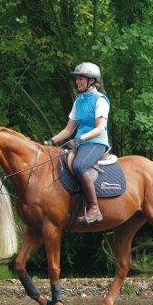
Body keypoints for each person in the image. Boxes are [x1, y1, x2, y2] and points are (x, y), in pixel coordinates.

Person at [44, 62, 110, 225]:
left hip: (96, 142)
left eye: (81, 79)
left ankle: (94, 208)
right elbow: (68, 130)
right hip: (80, 143)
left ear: (92, 81)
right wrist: (49, 142)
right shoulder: (78, 101)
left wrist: (79, 139)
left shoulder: (100, 100)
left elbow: (100, 128)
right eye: (77, 79)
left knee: (79, 166)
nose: (77, 82)